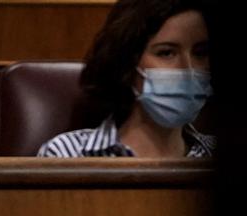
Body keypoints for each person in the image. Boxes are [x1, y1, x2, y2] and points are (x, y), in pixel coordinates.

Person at [38, 1, 213, 158]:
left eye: (201, 53)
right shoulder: (67, 154)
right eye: (166, 53)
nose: (188, 69)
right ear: (127, 62)